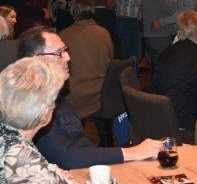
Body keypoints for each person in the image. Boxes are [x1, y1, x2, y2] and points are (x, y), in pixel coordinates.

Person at [18, 27, 161, 167]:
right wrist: (132, 153)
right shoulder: (31, 103)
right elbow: (66, 157)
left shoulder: (55, 95)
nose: (68, 57)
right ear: (37, 59)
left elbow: (80, 147)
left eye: (65, 50)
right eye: (59, 53)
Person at [60, 0, 114, 119]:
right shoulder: (104, 33)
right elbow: (110, 61)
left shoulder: (62, 36)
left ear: (73, 11)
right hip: (102, 93)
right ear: (92, 10)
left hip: (75, 96)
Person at [141, 0, 178, 68]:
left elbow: (158, 7)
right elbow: (170, 9)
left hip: (150, 34)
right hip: (160, 35)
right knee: (164, 68)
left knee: (157, 68)